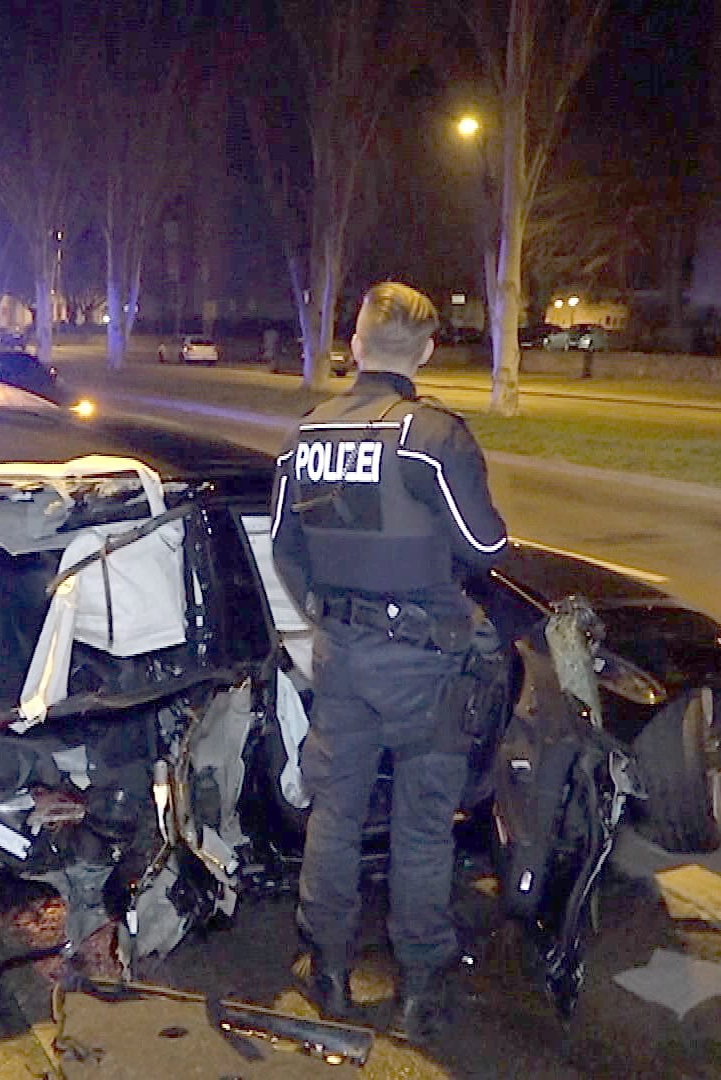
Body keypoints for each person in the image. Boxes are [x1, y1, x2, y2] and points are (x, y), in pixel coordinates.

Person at [270, 282, 511, 1041]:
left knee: (335, 814)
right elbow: (486, 548)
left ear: (356, 344)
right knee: (422, 828)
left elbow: (288, 548)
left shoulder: (307, 436)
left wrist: (329, 615)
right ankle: (421, 979)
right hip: (426, 666)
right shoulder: (431, 435)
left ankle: (331, 969)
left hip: (343, 658)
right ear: (429, 351)